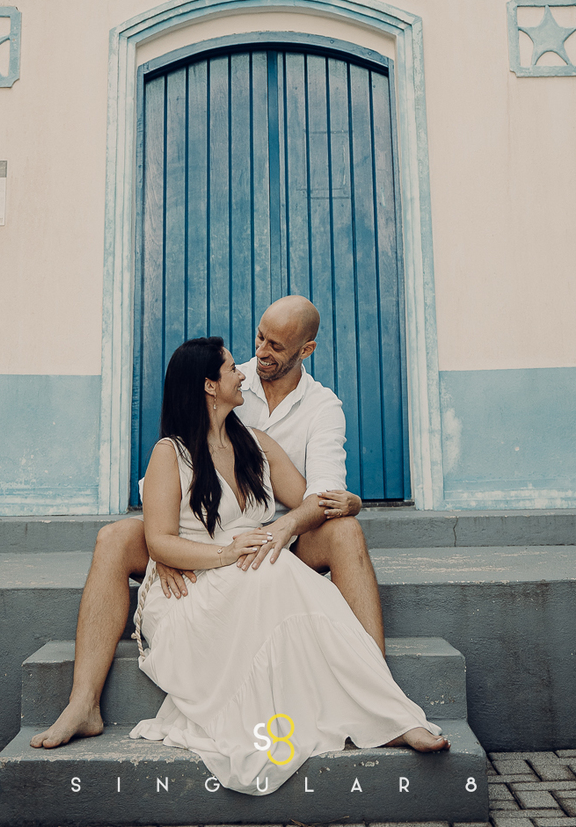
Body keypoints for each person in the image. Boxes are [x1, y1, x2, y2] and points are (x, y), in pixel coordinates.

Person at [30, 294, 385, 748]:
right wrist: (175, 549)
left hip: (280, 534)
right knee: (114, 539)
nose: (259, 354)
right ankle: (83, 701)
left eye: (275, 345)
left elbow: (320, 496)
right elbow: (164, 480)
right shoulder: (230, 384)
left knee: (344, 529)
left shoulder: (321, 408)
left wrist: (298, 522)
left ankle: (374, 686)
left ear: (305, 351)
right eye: (259, 337)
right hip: (207, 526)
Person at [128, 336, 448, 793]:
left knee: (277, 572)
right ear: (208, 387)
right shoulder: (170, 453)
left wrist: (349, 503)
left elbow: (310, 503)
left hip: (254, 574)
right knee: (272, 571)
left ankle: (386, 712)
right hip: (192, 590)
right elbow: (158, 541)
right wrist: (226, 554)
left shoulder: (256, 444)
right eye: (229, 369)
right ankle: (376, 710)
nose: (242, 372)